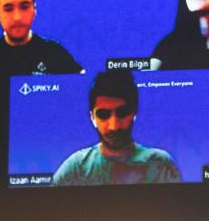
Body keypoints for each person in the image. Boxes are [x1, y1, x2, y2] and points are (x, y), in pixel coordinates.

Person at [53, 70, 181, 186]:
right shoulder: (75, 169)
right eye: (103, 114)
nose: (114, 126)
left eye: (122, 113)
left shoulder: (160, 164)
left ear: (134, 113)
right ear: (92, 117)